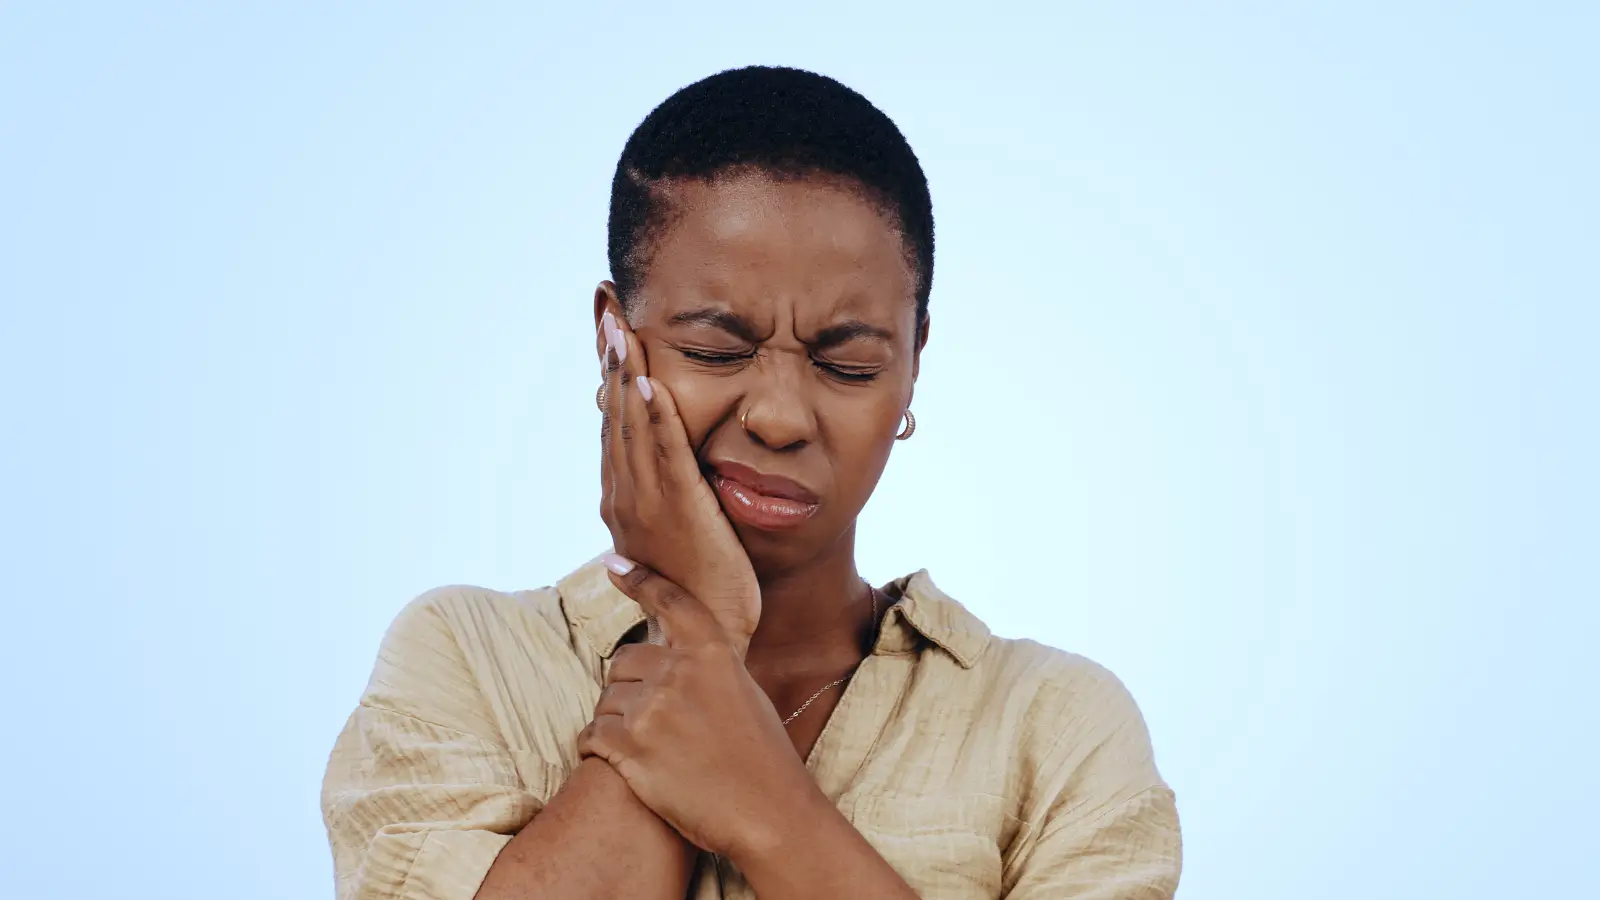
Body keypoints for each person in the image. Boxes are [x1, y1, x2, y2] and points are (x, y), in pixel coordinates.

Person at [321, 65, 1181, 900]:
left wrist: (765, 806)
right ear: (614, 338)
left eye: (847, 364)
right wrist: (701, 626)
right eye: (714, 351)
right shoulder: (467, 659)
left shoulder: (1055, 727)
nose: (779, 415)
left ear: (913, 365)